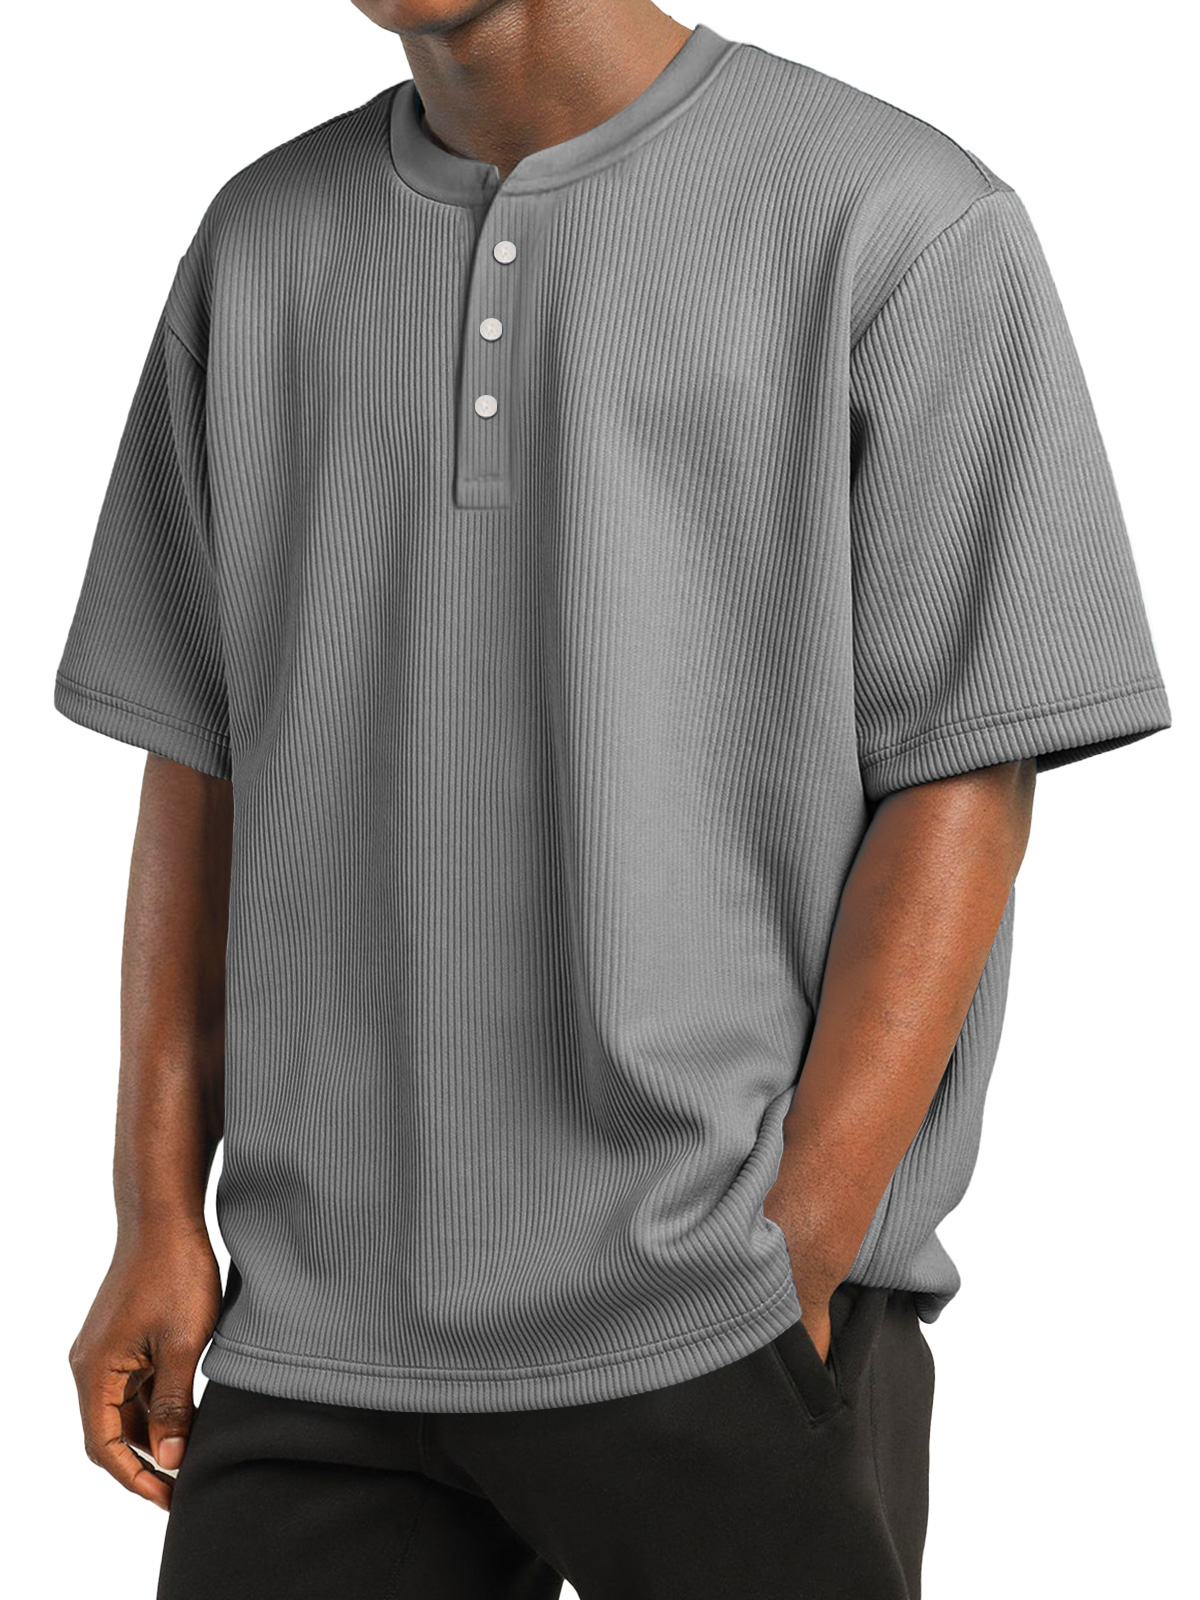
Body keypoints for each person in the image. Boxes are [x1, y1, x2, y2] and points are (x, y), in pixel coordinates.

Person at [55, 3, 1171, 1596]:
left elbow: (964, 773)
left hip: (717, 1304)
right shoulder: (259, 246)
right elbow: (203, 751)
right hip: (318, 1330)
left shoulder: (900, 220)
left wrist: (798, 1246)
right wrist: (156, 1210)